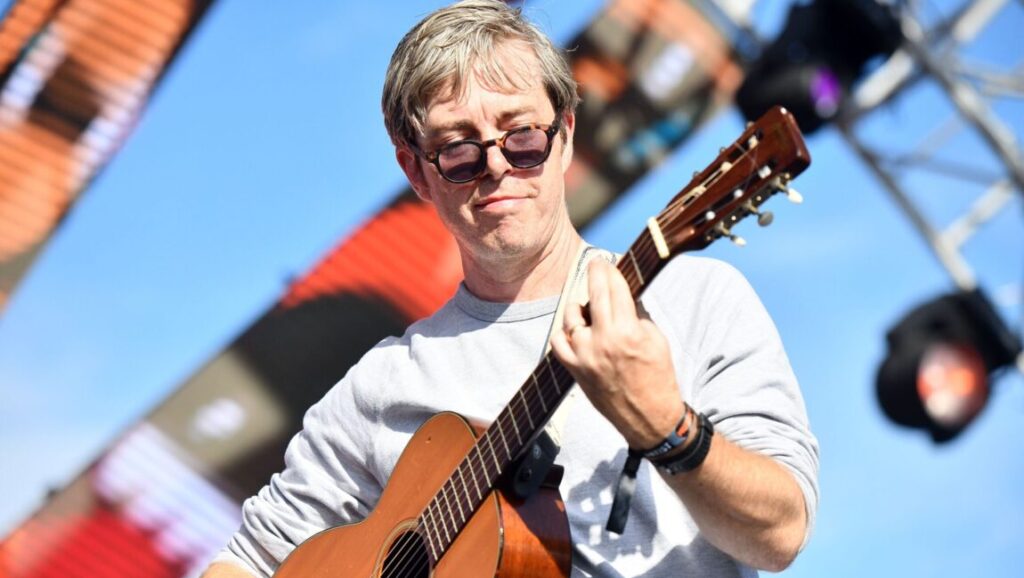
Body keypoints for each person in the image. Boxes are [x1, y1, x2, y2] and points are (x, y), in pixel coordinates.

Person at [202, 1, 819, 576]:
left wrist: (667, 427)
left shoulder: (693, 299)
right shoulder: (381, 387)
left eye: (522, 136)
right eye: (459, 149)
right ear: (417, 170)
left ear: (567, 133)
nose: (497, 165)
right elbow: (247, 560)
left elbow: (782, 532)